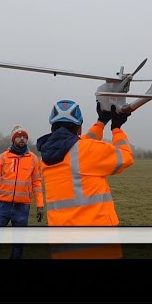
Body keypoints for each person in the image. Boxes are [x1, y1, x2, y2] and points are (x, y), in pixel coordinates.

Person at [35, 99, 133, 258]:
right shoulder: (85, 151)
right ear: (79, 128)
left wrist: (101, 122)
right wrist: (116, 128)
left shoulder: (46, 157)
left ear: (52, 126)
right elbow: (126, 157)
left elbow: (79, 144)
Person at [0, 125, 44, 259]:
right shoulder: (2, 158)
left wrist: (40, 206)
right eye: (19, 137)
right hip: (2, 207)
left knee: (18, 245)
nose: (22, 139)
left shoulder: (33, 159)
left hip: (22, 208)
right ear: (13, 139)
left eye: (25, 137)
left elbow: (37, 184)